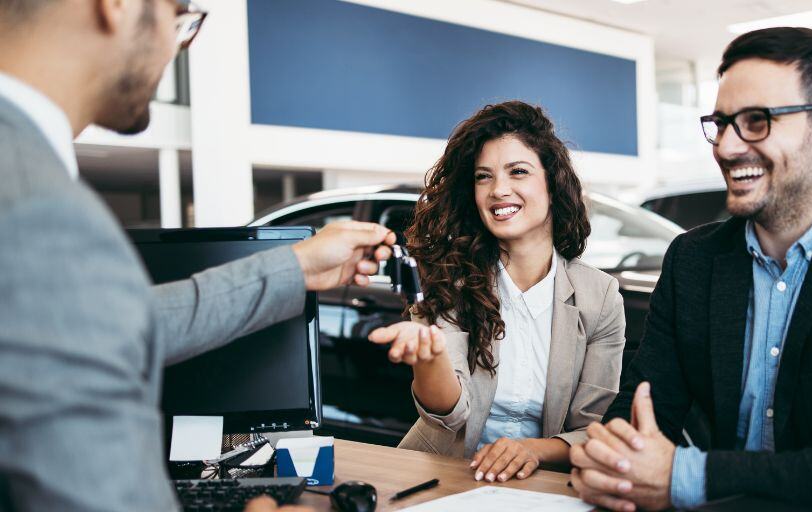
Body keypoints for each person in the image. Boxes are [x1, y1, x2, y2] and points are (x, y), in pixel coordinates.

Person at [0, 1, 396, 510]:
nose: (179, 45)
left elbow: (121, 325)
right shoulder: (43, 213)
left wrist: (297, 268)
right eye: (180, 18)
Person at [568, 27, 812, 512]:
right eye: (721, 123)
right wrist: (615, 458)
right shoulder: (694, 260)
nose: (727, 147)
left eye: (757, 121)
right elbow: (643, 409)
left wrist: (684, 476)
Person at [368, 101, 627, 484]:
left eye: (518, 172)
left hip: (546, 484)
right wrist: (430, 356)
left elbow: (594, 428)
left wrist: (533, 450)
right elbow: (449, 414)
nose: (498, 190)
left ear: (552, 184)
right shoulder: (448, 279)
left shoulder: (600, 296)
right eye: (483, 177)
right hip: (440, 474)